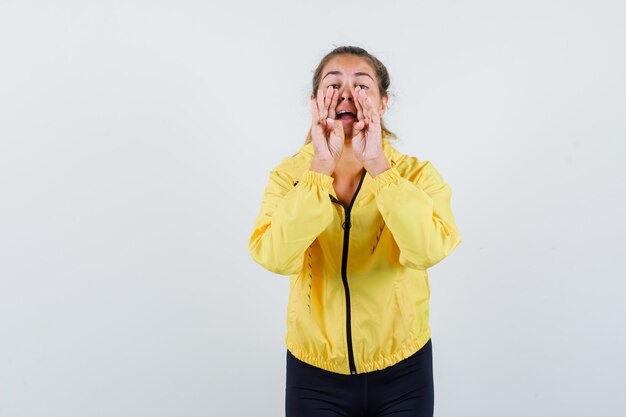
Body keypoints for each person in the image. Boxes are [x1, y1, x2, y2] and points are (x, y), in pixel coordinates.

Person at [248, 45, 462, 417]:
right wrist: (319, 170)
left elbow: (428, 250)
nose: (348, 93)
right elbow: (275, 257)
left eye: (362, 85)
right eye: (334, 84)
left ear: (382, 104)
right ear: (315, 102)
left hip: (403, 369)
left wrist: (380, 167)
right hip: (314, 372)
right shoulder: (289, 177)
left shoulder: (416, 175)